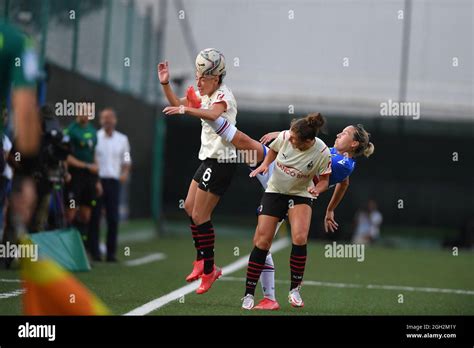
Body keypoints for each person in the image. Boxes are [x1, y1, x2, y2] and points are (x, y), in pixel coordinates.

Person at [159, 48, 237, 294]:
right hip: (208, 160)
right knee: (190, 208)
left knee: (201, 216)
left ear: (216, 77)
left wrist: (186, 109)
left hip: (222, 162)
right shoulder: (204, 94)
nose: (198, 81)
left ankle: (210, 269)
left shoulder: (223, 95)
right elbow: (177, 105)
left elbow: (213, 114)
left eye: (203, 77)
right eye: (197, 76)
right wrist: (166, 84)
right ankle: (201, 260)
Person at [241, 113, 332, 309]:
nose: (290, 139)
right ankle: (248, 294)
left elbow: (325, 180)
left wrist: (318, 189)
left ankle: (294, 291)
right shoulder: (285, 136)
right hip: (274, 192)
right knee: (262, 241)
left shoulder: (322, 152)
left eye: (294, 139)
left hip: (300, 195)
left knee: (299, 238)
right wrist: (265, 165)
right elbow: (272, 150)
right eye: (290, 136)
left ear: (308, 141)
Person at [89, 108, 131, 262]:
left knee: (113, 218)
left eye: (110, 118)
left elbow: (126, 158)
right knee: (95, 217)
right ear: (100, 120)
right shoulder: (95, 137)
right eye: (104, 118)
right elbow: (92, 157)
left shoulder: (122, 139)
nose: (107, 121)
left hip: (113, 182)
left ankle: (111, 253)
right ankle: (95, 253)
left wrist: (125, 173)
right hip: (97, 181)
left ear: (115, 120)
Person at [63, 114, 101, 245]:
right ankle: (67, 247)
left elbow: (93, 153)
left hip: (89, 178)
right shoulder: (70, 131)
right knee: (71, 213)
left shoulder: (93, 131)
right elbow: (66, 156)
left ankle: (82, 249)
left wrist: (97, 180)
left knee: (86, 215)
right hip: (75, 177)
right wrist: (85, 165)